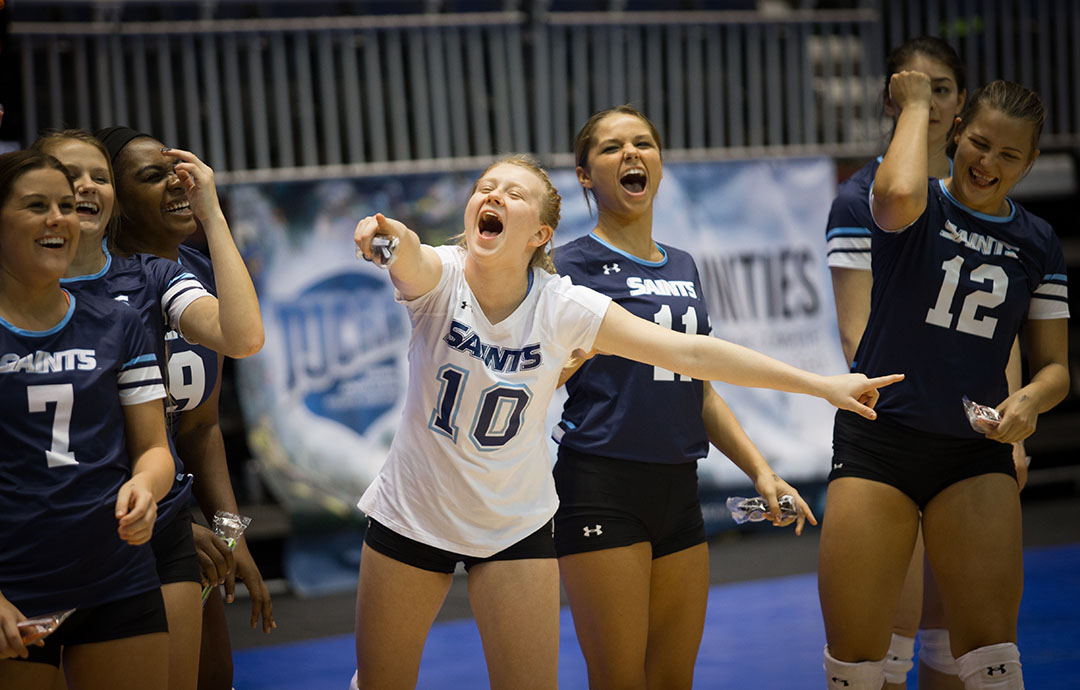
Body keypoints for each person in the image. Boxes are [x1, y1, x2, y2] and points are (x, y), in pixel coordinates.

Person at [349, 154, 902, 689]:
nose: (492, 195)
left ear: (540, 235)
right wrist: (386, 239)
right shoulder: (442, 279)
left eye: (514, 193)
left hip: (512, 526)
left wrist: (821, 385)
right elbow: (409, 253)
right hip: (413, 513)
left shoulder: (564, 305)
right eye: (485, 188)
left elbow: (692, 356)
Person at [548, 104, 816, 690]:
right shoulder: (564, 266)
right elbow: (529, 370)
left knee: (673, 678)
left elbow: (698, 383)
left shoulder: (684, 265)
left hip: (678, 487)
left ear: (661, 164)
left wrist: (761, 471)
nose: (631, 154)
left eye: (642, 143)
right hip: (600, 486)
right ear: (585, 175)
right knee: (618, 679)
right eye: (612, 147)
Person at [818, 78, 1069, 690]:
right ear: (955, 134)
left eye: (1010, 155)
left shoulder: (1037, 242)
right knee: (856, 666)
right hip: (879, 444)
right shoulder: (914, 203)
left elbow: (1056, 367)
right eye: (979, 143)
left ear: (1031, 163)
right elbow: (897, 187)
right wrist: (917, 103)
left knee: (992, 662)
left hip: (971, 454)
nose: (989, 163)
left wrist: (1029, 402)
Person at [33, 128, 272, 690]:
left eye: (96, 178)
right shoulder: (33, 295)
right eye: (149, 176)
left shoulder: (172, 280)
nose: (176, 184)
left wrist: (229, 534)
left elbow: (200, 425)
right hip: (54, 531)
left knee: (212, 675)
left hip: (158, 520)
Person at [0, 150, 174, 689]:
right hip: (14, 587)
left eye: (66, 206)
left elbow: (154, 449)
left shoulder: (118, 323)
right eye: (36, 206)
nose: (59, 219)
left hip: (117, 576)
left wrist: (146, 488)